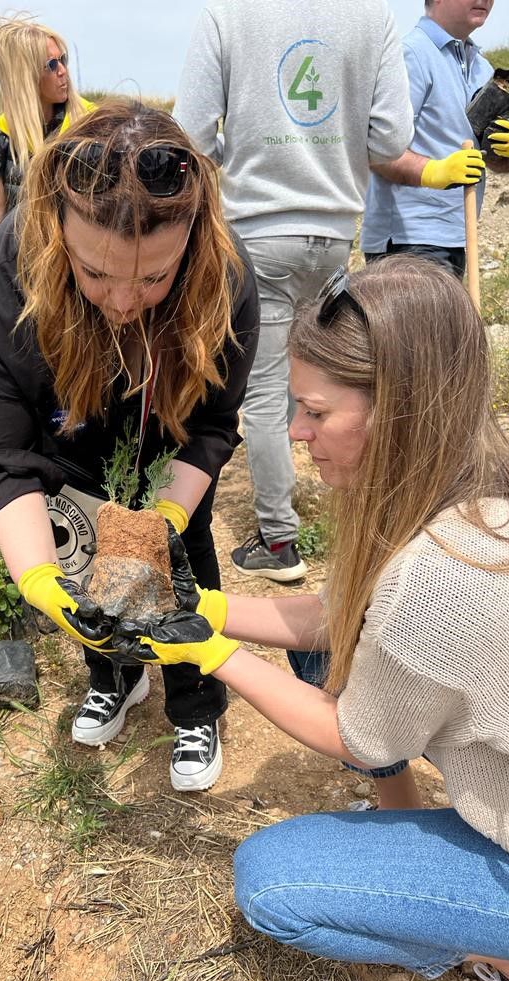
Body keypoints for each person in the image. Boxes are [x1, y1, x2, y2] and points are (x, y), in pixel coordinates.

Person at [113, 258, 509, 981]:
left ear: (396, 408)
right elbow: (339, 616)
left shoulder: (443, 575)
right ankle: (419, 843)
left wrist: (204, 651)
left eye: (315, 413)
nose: (296, 433)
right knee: (325, 658)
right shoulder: (479, 480)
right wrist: (199, 605)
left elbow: (352, 738)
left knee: (273, 884)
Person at [0, 102, 259, 792]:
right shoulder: (12, 273)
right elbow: (6, 460)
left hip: (170, 434)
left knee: (181, 557)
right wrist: (40, 581)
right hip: (69, 430)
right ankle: (115, 675)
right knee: (83, 551)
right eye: (95, 272)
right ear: (57, 229)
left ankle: (194, 702)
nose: (124, 301)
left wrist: (167, 519)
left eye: (155, 277)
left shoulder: (229, 275)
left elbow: (214, 425)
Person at [173, 0, 413, 583]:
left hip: (258, 233)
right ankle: (368, 526)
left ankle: (278, 542)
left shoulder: (227, 15)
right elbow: (391, 137)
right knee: (336, 381)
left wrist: (247, 156)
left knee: (263, 391)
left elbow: (191, 134)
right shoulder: (372, 17)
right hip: (333, 233)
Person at [361, 0, 509, 277]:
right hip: (407, 242)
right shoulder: (411, 56)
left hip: (455, 237)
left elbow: (488, 162)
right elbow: (377, 150)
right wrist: (434, 171)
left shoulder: (482, 69)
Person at [0, 15, 95, 259]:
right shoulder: (2, 131)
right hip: (20, 262)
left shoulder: (91, 122)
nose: (63, 71)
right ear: (26, 76)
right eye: (51, 65)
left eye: (63, 60)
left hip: (76, 264)